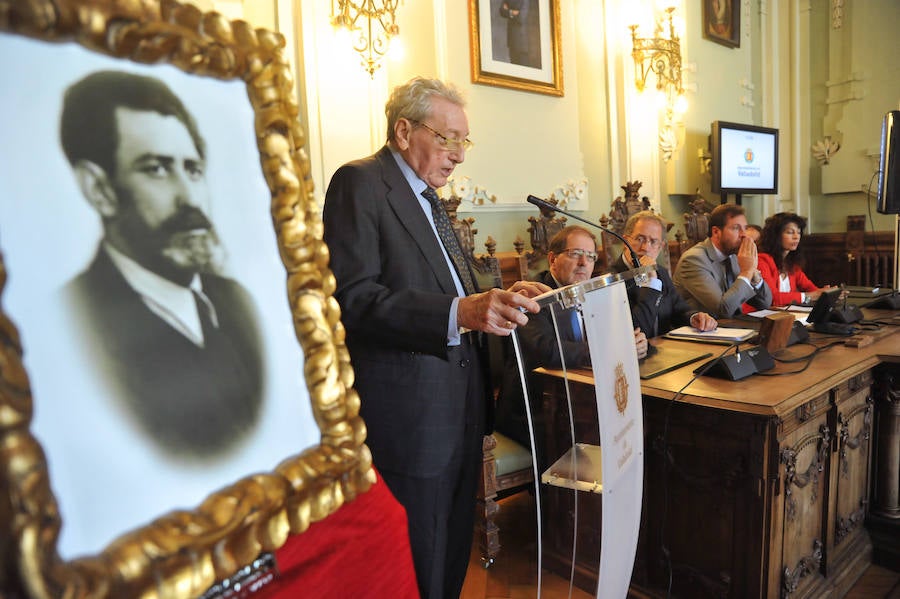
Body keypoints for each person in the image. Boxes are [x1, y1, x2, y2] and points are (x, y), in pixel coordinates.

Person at [322, 76, 548, 599]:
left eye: (464, 141)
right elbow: (353, 299)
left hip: (461, 412)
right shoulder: (360, 182)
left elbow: (447, 287)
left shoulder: (429, 197)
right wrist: (461, 311)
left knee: (448, 561)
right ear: (403, 130)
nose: (458, 155)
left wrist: (500, 293)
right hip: (411, 418)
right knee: (414, 562)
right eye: (447, 139)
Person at [59, 70, 264, 459]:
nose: (190, 199)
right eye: (156, 169)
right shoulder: (76, 326)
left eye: (193, 169)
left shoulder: (240, 303)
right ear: (99, 189)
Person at [495, 225, 648, 458]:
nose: (584, 263)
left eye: (590, 257)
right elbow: (548, 351)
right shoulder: (533, 296)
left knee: (638, 427)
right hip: (535, 411)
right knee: (602, 442)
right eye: (575, 254)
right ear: (552, 259)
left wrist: (638, 344)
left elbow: (620, 335)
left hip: (578, 402)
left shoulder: (594, 293)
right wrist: (609, 351)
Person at [611, 211, 717, 337]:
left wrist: (694, 317)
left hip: (667, 349)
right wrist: (651, 283)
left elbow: (678, 309)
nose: (645, 247)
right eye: (640, 239)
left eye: (653, 241)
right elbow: (636, 330)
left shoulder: (660, 272)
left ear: (660, 247)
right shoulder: (611, 280)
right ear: (625, 241)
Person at [673, 203, 773, 318]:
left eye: (745, 228)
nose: (744, 235)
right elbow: (723, 310)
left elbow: (765, 303)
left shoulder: (735, 256)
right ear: (716, 232)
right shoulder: (693, 260)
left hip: (731, 328)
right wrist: (746, 272)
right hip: (700, 331)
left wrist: (753, 273)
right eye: (736, 228)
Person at [756, 212, 834, 306]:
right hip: (759, 318)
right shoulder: (762, 261)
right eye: (790, 232)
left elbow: (810, 288)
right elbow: (773, 298)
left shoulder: (791, 263)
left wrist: (829, 293)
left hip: (785, 316)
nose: (796, 237)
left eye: (799, 232)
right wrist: (811, 295)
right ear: (775, 235)